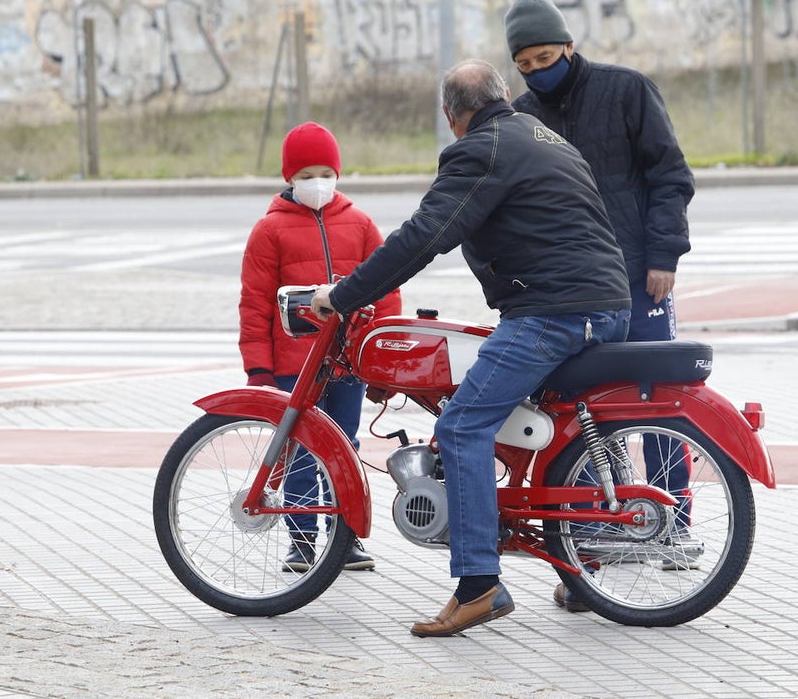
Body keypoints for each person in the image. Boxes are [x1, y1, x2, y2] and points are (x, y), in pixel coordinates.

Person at [310, 59, 632, 637]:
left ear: (450, 116)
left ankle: (478, 585)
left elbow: (423, 236)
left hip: (554, 313)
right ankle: (582, 568)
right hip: (605, 306)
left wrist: (344, 295)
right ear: (503, 93)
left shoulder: (481, 150)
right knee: (557, 426)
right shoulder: (544, 137)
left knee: (461, 426)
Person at [504, 0, 700, 597]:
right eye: (525, 65)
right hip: (572, 291)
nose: (538, 71)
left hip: (639, 277)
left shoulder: (627, 91)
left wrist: (664, 257)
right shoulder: (521, 117)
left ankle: (674, 524)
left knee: (659, 402)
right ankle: (590, 540)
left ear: (569, 46)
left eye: (545, 58)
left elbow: (670, 176)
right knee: (581, 414)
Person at [239, 121, 401, 573]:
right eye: (306, 175)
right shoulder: (269, 230)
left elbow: (386, 294)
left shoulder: (361, 224)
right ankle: (302, 540)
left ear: (337, 173)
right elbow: (254, 305)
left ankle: (345, 539)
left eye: (325, 173)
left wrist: (381, 360)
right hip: (294, 365)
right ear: (289, 177)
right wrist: (258, 369)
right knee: (300, 451)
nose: (317, 183)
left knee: (345, 447)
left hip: (348, 364)